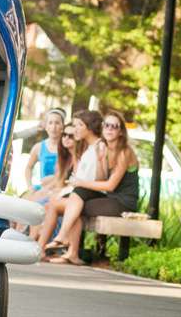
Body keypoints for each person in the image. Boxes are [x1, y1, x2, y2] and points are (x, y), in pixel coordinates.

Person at [47, 110, 139, 265]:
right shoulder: (104, 149)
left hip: (123, 202)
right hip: (110, 198)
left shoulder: (125, 152)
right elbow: (101, 178)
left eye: (114, 126)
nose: (109, 129)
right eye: (107, 125)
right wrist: (100, 160)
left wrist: (80, 182)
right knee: (79, 195)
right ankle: (69, 249)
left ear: (121, 131)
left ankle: (66, 243)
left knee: (77, 203)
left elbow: (110, 185)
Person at [37, 109, 105, 263]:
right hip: (82, 193)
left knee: (56, 205)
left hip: (93, 194)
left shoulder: (100, 146)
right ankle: (65, 251)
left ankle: (51, 245)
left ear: (89, 127)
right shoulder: (88, 148)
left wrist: (79, 182)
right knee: (54, 204)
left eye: (79, 125)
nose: (75, 130)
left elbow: (101, 178)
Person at [27, 122, 77, 240]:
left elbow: (72, 184)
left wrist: (52, 191)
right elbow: (59, 182)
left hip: (72, 196)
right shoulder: (64, 157)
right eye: (64, 135)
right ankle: (30, 238)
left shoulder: (79, 157)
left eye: (71, 136)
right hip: (59, 192)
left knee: (42, 204)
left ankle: (35, 240)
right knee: (32, 201)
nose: (66, 138)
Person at [24, 108, 65, 192]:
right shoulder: (38, 147)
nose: (53, 127)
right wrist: (30, 186)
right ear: (46, 127)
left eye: (57, 123)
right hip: (44, 190)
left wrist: (55, 178)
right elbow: (28, 167)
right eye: (50, 123)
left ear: (62, 126)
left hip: (62, 191)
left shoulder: (68, 147)